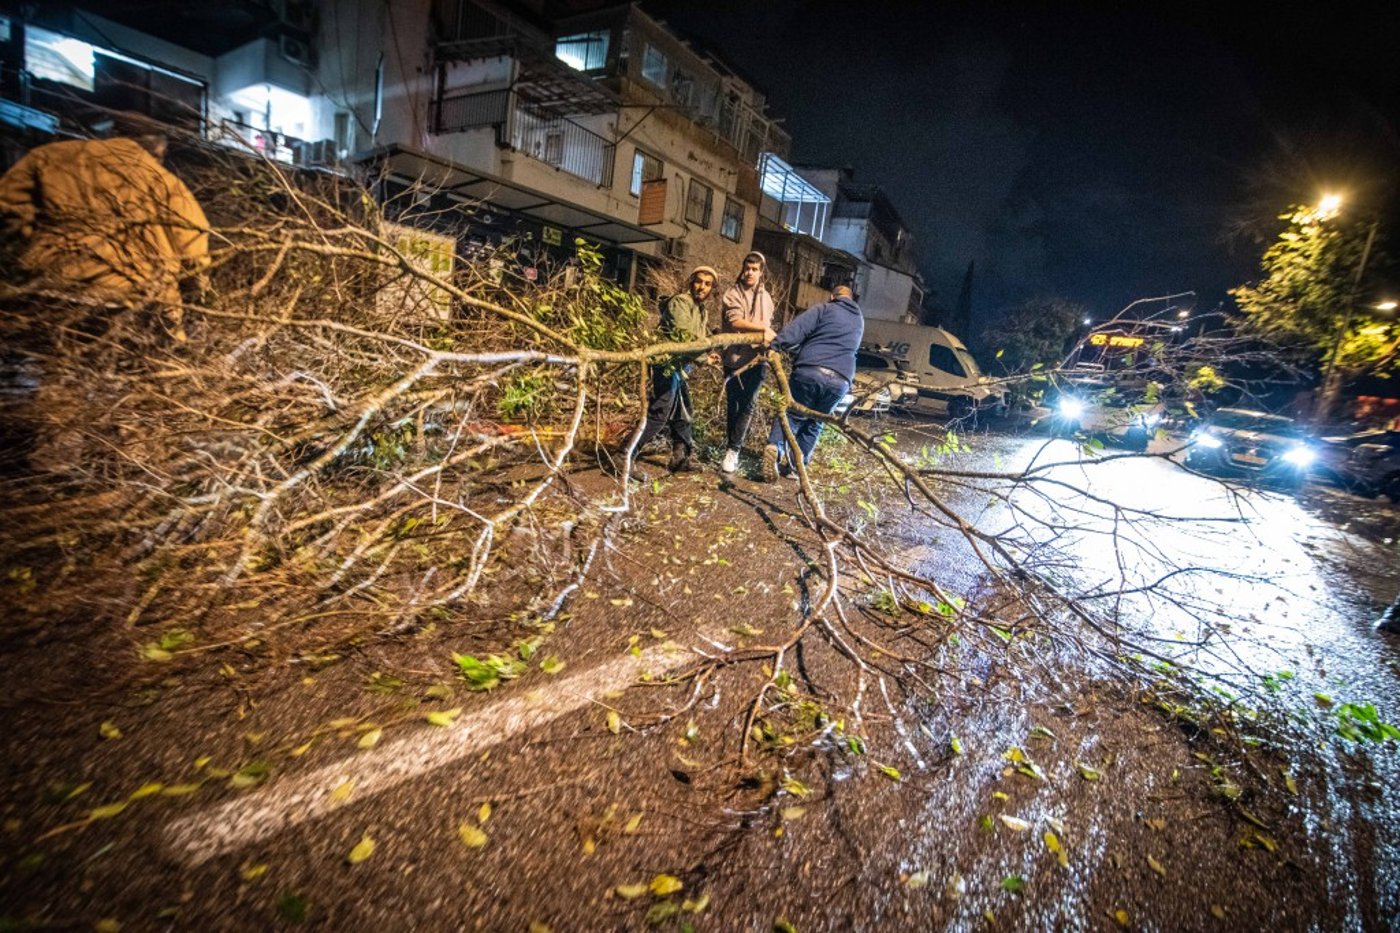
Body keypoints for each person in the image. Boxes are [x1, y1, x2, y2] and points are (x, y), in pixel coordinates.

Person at [0, 118, 210, 322]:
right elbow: (194, 253)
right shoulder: (169, 185)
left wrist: (34, 253)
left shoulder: (49, 156)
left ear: (111, 135)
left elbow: (9, 210)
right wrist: (197, 300)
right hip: (133, 297)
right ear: (159, 151)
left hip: (50, 283)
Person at [613, 265, 718, 475]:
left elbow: (699, 337)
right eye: (698, 282)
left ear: (712, 289)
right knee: (660, 413)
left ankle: (680, 458)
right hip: (666, 364)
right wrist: (705, 359)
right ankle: (623, 455)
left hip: (679, 366)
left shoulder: (700, 309)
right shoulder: (681, 302)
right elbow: (686, 338)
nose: (702, 287)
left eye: (707, 284)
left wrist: (712, 344)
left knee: (683, 411)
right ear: (691, 283)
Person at [761, 285, 864, 482]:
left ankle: (775, 446)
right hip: (841, 379)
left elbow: (798, 330)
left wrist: (775, 345)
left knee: (791, 414)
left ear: (832, 296)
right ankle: (795, 468)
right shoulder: (859, 321)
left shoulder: (825, 309)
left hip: (811, 371)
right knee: (815, 422)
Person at [718, 250, 776, 473]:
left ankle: (734, 450)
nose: (749, 273)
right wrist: (764, 329)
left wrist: (768, 339)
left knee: (748, 406)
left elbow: (769, 328)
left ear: (761, 273)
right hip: (734, 359)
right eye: (747, 268)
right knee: (734, 405)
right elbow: (736, 322)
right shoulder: (732, 294)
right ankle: (730, 446)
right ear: (742, 270)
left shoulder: (767, 298)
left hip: (758, 361)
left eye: (754, 269)